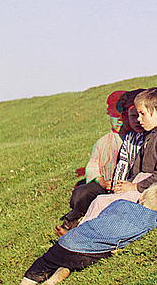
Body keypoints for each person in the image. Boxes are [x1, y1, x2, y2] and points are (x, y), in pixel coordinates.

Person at [0, 184, 157, 285]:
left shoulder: (121, 204)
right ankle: (64, 271)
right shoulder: (155, 220)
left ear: (143, 198)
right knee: (91, 254)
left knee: (44, 262)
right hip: (90, 254)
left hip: (68, 242)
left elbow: (104, 215)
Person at [56, 89, 145, 235]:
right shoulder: (103, 142)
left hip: (128, 185)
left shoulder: (137, 137)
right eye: (116, 117)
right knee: (82, 192)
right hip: (106, 183)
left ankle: (85, 227)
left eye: (124, 117)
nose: (121, 121)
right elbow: (92, 165)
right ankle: (75, 218)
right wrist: (100, 180)